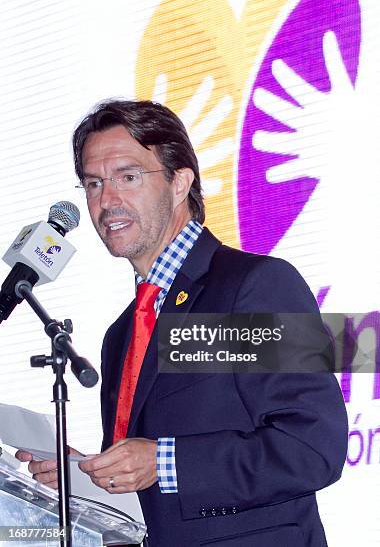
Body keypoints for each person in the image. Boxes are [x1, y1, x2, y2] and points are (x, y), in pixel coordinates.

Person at [17, 100, 348, 546]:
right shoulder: (120, 335)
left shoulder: (254, 287)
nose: (107, 200)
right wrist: (88, 475)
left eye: (128, 177)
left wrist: (164, 462)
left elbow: (311, 447)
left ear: (180, 182)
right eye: (93, 183)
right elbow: (149, 483)